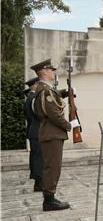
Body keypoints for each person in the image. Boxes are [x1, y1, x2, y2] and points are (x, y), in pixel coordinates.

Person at [31, 59, 76, 211]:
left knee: (52, 166)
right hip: (52, 133)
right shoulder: (45, 90)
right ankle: (49, 201)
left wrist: (65, 92)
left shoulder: (46, 89)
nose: (53, 72)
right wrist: (70, 125)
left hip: (51, 133)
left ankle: (50, 197)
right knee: (52, 167)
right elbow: (53, 113)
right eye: (50, 70)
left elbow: (52, 101)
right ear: (43, 72)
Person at [24, 77, 44, 192]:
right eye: (39, 84)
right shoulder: (33, 98)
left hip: (32, 130)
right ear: (35, 85)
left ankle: (37, 180)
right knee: (38, 157)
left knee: (35, 156)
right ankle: (38, 183)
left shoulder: (29, 98)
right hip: (37, 131)